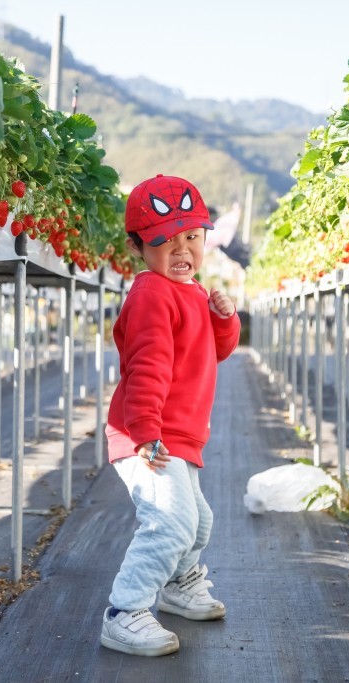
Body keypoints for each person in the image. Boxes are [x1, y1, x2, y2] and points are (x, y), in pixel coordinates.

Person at [100, 174, 241, 657]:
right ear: (139, 247)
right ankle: (124, 612)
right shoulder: (151, 293)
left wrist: (224, 318)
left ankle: (179, 586)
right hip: (148, 434)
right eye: (164, 241)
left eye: (191, 237)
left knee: (197, 522)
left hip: (178, 436)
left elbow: (214, 352)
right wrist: (145, 432)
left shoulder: (194, 292)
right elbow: (147, 366)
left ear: (204, 239)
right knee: (170, 522)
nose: (181, 249)